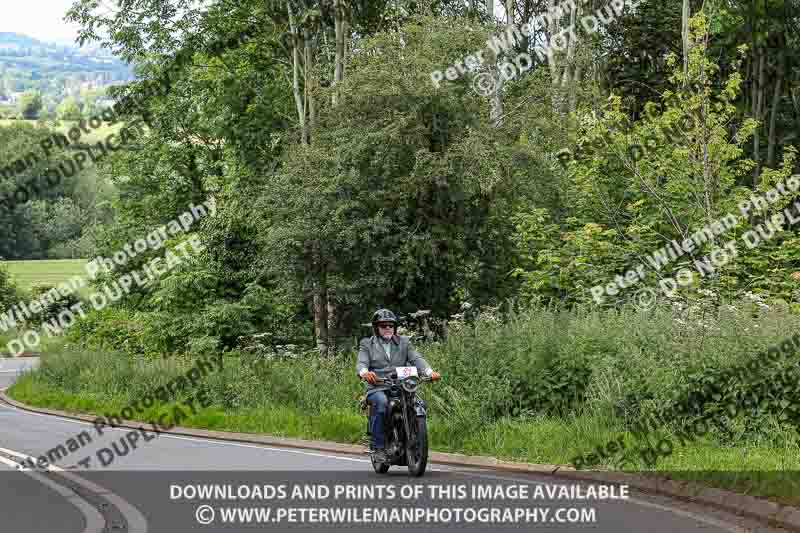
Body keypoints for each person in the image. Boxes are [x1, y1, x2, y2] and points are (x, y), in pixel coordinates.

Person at [357, 309, 441, 462]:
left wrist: (429, 372)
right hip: (378, 386)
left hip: (402, 385)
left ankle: (414, 437)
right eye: (383, 326)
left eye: (391, 325)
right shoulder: (367, 344)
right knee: (382, 403)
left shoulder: (404, 342)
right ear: (376, 328)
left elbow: (416, 358)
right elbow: (362, 362)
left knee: (419, 403)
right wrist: (364, 372)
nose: (388, 328)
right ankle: (378, 447)